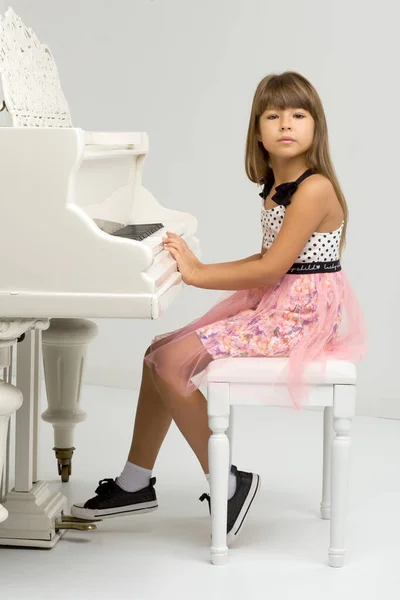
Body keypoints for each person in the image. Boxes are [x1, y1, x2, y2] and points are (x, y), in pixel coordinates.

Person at [71, 71, 367, 544]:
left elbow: (271, 269)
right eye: (272, 116)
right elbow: (266, 259)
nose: (285, 124)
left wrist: (197, 273)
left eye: (298, 114)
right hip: (279, 299)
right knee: (157, 353)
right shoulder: (277, 185)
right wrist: (201, 265)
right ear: (257, 131)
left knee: (170, 363)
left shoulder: (314, 189)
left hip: (300, 313)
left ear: (317, 127)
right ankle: (134, 482)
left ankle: (229, 483)